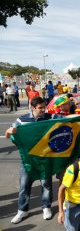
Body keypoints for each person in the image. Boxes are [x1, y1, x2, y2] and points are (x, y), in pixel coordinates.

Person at [5, 96, 64, 224]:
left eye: (44, 107)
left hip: (44, 159)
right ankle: (22, 210)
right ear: (32, 108)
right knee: (24, 185)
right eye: (40, 108)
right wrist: (9, 131)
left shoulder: (50, 117)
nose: (43, 110)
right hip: (28, 160)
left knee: (46, 185)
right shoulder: (22, 120)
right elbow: (8, 133)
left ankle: (46, 207)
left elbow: (67, 120)